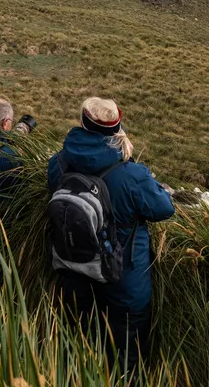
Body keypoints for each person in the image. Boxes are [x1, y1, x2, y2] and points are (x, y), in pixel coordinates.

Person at [47, 97, 175, 373]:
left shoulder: (58, 164)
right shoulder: (132, 174)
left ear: (81, 124)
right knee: (125, 356)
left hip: (74, 272)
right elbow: (165, 208)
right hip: (124, 282)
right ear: (118, 129)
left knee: (80, 344)